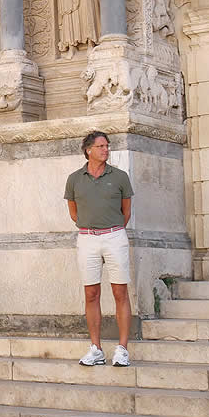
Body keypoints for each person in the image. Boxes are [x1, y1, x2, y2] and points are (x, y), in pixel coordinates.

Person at [65, 131, 134, 367]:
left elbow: (127, 212)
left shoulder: (120, 177)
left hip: (115, 237)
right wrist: (91, 228)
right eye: (101, 146)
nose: (106, 150)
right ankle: (96, 349)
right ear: (88, 150)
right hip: (87, 239)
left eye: (107, 145)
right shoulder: (74, 179)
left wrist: (112, 230)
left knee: (120, 293)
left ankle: (122, 349)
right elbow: (73, 212)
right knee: (91, 294)